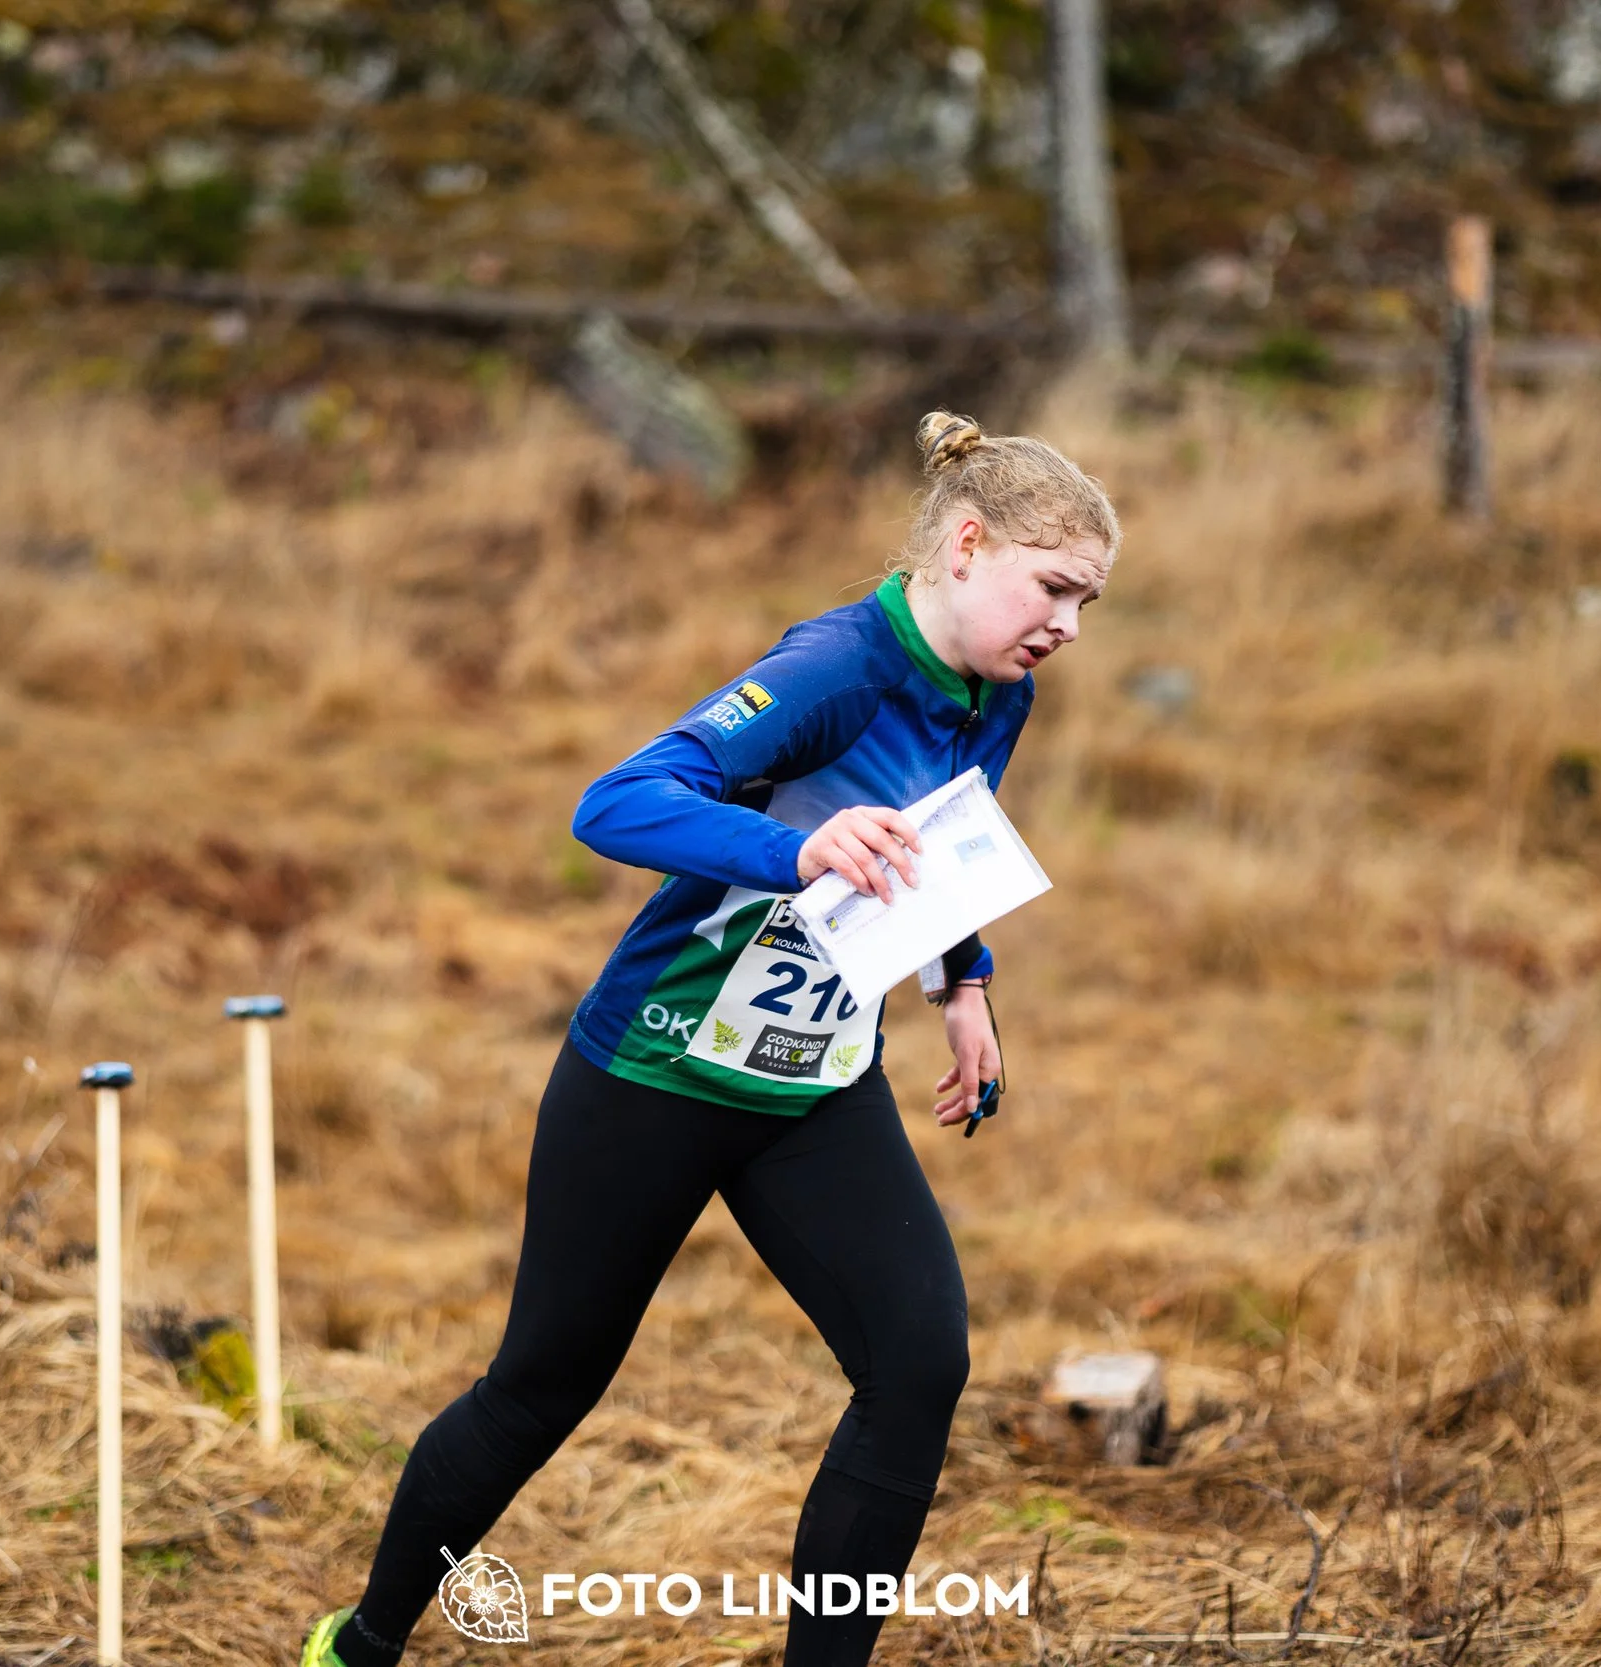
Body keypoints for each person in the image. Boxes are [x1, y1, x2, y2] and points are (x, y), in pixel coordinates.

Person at [302, 410, 1120, 1667]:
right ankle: (358, 1646)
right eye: (1055, 587)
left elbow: (950, 832)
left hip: (813, 1082)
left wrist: (966, 979)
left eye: (1087, 601)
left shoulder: (995, 685)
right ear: (966, 545)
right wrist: (793, 849)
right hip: (656, 1070)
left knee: (917, 1361)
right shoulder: (834, 669)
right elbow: (615, 800)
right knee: (542, 1385)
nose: (1067, 623)